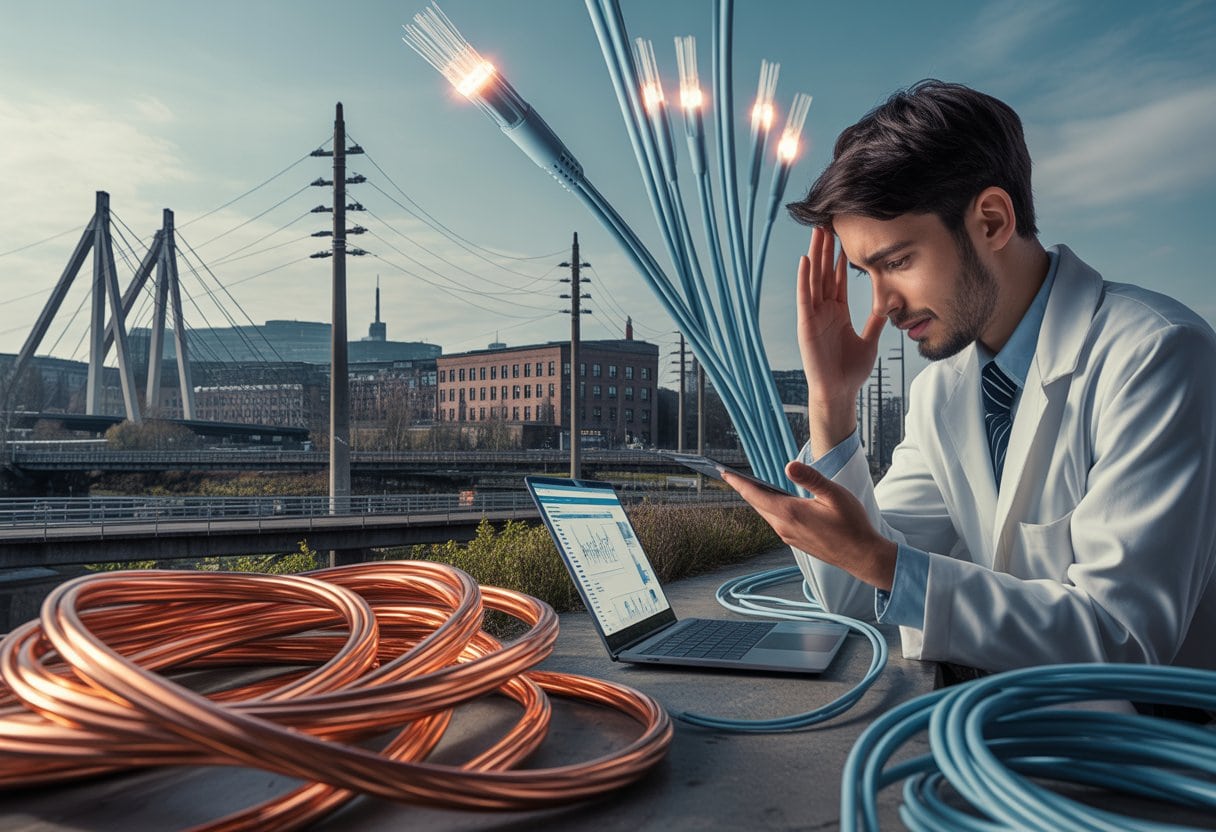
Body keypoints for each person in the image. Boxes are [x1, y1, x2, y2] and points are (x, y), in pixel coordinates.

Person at [722, 80, 1216, 679]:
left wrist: (885, 565)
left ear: (992, 221)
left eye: (897, 261)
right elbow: (854, 593)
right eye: (864, 274)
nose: (882, 305)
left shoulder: (1157, 353)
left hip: (1149, 731)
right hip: (1009, 716)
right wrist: (832, 399)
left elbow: (1122, 638)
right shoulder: (941, 393)